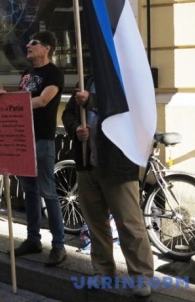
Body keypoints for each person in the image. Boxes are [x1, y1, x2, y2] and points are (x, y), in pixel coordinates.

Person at [62, 76, 154, 298]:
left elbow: (130, 114)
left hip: (117, 165)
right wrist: (75, 129)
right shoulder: (88, 78)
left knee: (129, 224)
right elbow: (69, 113)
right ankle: (103, 271)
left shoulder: (128, 79)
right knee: (96, 224)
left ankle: (140, 276)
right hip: (87, 162)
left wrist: (92, 102)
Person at [3, 31, 67, 266]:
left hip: (41, 139)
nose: (27, 45)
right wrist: (5, 99)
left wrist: (13, 104)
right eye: (28, 41)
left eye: (33, 43)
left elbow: (42, 100)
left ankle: (59, 246)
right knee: (29, 190)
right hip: (22, 138)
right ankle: (33, 239)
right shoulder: (27, 73)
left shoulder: (54, 73)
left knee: (48, 192)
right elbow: (22, 97)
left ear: (47, 48)